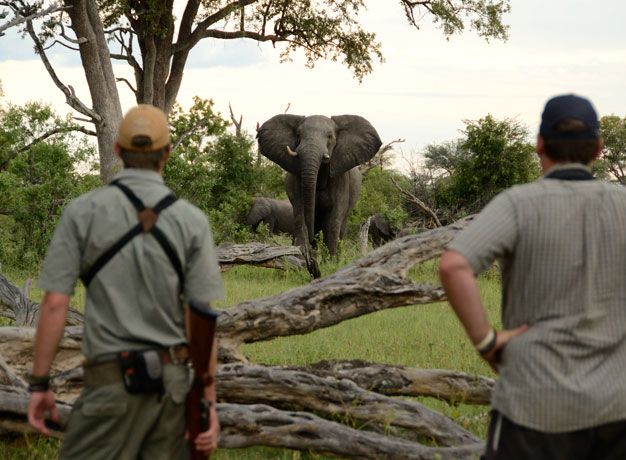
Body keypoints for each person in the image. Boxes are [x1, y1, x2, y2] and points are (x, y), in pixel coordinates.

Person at [27, 104, 224, 459]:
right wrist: (207, 403)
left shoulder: (82, 212)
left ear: (117, 151)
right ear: (167, 154)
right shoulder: (193, 222)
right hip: (173, 390)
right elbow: (201, 317)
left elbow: (55, 303)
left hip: (109, 388)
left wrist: (40, 384)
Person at [439, 94, 626, 460]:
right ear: (599, 148)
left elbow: (454, 265)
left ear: (539, 143)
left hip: (533, 406)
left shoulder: (518, 203)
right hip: (616, 404)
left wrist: (487, 341)